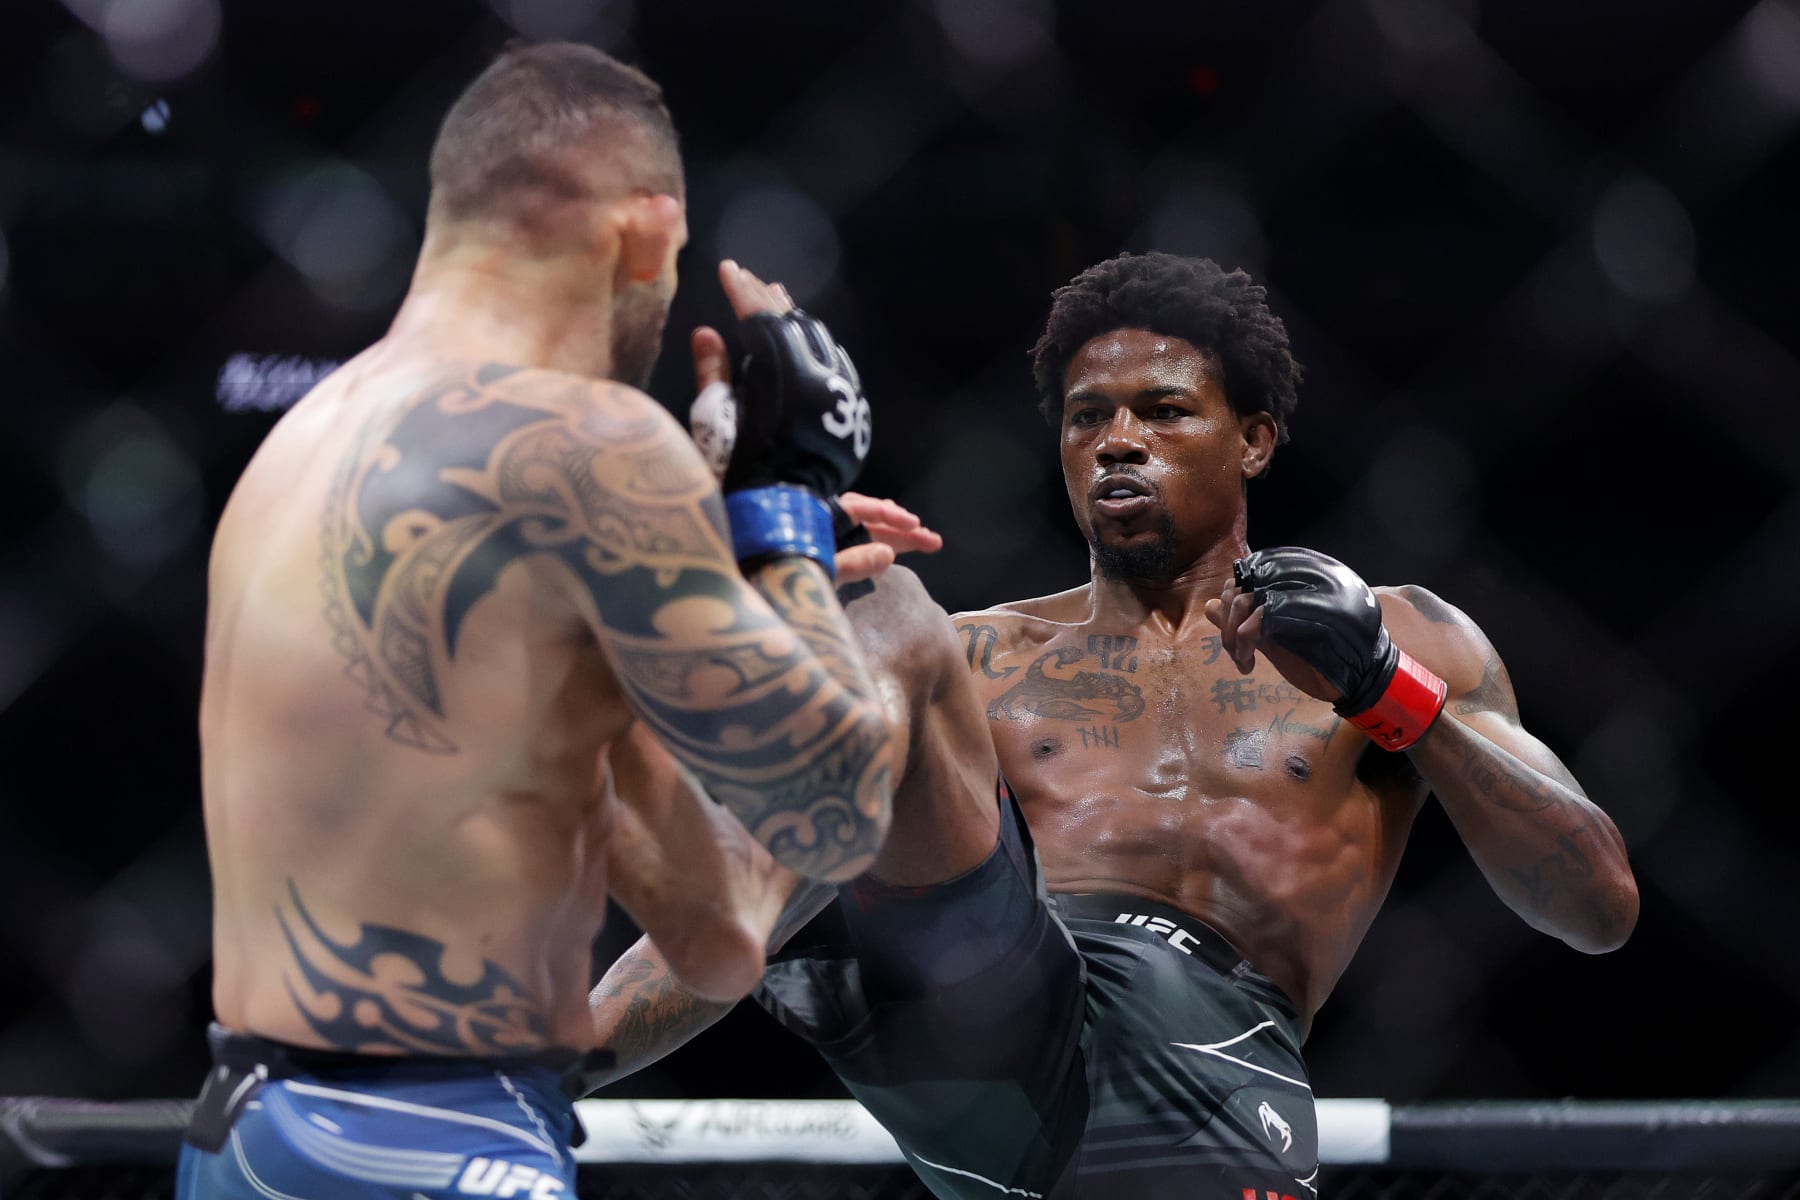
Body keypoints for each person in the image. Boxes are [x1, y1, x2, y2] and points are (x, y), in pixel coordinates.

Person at [587, 252, 1639, 1199]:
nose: (1119, 442)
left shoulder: (1405, 634)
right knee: (889, 613)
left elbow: (1598, 904)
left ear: (1256, 439)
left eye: (1164, 411)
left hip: (1208, 1051)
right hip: (980, 992)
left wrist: (1383, 688)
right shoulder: (981, 658)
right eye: (1088, 417)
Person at [181, 41, 902, 1200]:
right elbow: (839, 813)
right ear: (651, 232)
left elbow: (719, 934)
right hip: (431, 1141)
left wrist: (710, 590)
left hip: (255, 1136)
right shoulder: (590, 444)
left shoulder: (298, 449)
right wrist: (791, 501)